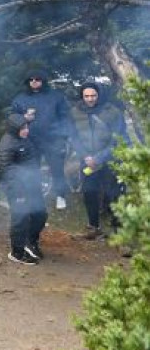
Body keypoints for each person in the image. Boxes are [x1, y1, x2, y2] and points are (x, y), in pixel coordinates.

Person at [69, 82, 129, 239]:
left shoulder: (112, 112)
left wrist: (99, 157)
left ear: (99, 95)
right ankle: (93, 228)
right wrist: (85, 156)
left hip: (110, 160)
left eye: (93, 95)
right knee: (89, 192)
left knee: (114, 195)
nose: (90, 99)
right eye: (86, 96)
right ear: (82, 96)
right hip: (88, 161)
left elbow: (118, 139)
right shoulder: (75, 112)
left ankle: (119, 233)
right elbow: (73, 137)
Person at [10, 70, 72, 210]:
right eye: (31, 79)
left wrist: (63, 136)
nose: (34, 82)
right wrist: (24, 118)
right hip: (30, 140)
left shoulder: (55, 96)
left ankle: (60, 196)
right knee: (31, 169)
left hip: (52, 139)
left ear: (43, 80)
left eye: (37, 79)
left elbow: (65, 117)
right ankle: (34, 197)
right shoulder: (20, 99)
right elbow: (12, 118)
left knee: (57, 169)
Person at [0, 114, 46, 265]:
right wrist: (19, 192)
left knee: (40, 215)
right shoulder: (6, 145)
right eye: (23, 128)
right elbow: (8, 172)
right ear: (14, 128)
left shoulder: (24, 139)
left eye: (26, 127)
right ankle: (17, 252)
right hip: (17, 188)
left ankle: (30, 242)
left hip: (31, 185)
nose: (26, 130)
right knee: (20, 218)